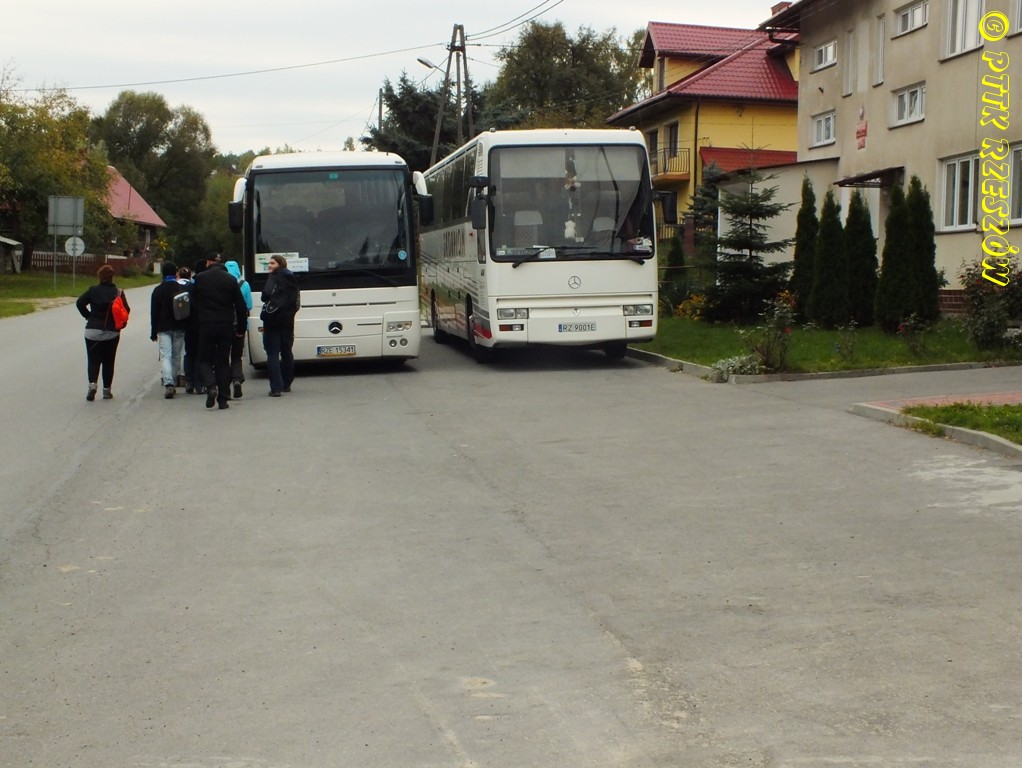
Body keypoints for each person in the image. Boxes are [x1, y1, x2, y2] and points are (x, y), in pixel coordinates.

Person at [191, 254, 248, 410]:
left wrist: (196, 325)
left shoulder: (200, 279)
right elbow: (240, 306)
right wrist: (241, 328)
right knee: (223, 361)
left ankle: (211, 386)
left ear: (209, 264)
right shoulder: (230, 280)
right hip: (225, 325)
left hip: (206, 325)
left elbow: (193, 304)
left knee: (203, 359)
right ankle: (223, 399)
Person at [76, 264, 130, 401]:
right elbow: (127, 310)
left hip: (92, 331)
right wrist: (119, 322)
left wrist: (88, 316)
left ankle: (92, 385)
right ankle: (107, 391)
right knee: (108, 361)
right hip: (111, 332)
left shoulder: (93, 291)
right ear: (112, 277)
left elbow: (79, 303)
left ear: (100, 277)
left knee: (93, 360)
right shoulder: (118, 293)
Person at [261, 254, 301, 397]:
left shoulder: (274, 277)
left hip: (273, 320)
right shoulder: (292, 277)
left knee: (272, 353)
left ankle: (276, 388)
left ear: (280, 264)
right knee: (287, 351)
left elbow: (265, 295)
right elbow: (297, 301)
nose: (269, 265)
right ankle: (287, 383)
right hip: (288, 320)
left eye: (272, 263)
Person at [149, 261, 189, 399]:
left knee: (166, 355)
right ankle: (173, 380)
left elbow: (154, 313)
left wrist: (153, 332)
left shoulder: (158, 290)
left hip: (163, 327)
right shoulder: (181, 288)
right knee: (176, 356)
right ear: (175, 273)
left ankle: (168, 383)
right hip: (179, 326)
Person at [225, 260, 253, 398]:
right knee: (237, 356)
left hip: (224, 324)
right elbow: (249, 306)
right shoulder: (244, 284)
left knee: (224, 356)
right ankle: (237, 379)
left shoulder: (223, 283)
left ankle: (225, 385)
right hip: (240, 325)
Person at [176, 266, 199, 392]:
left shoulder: (175, 287)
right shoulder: (193, 287)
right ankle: (197, 381)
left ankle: (187, 380)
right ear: (190, 276)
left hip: (179, 323)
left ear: (178, 275)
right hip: (194, 323)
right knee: (196, 352)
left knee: (186, 353)